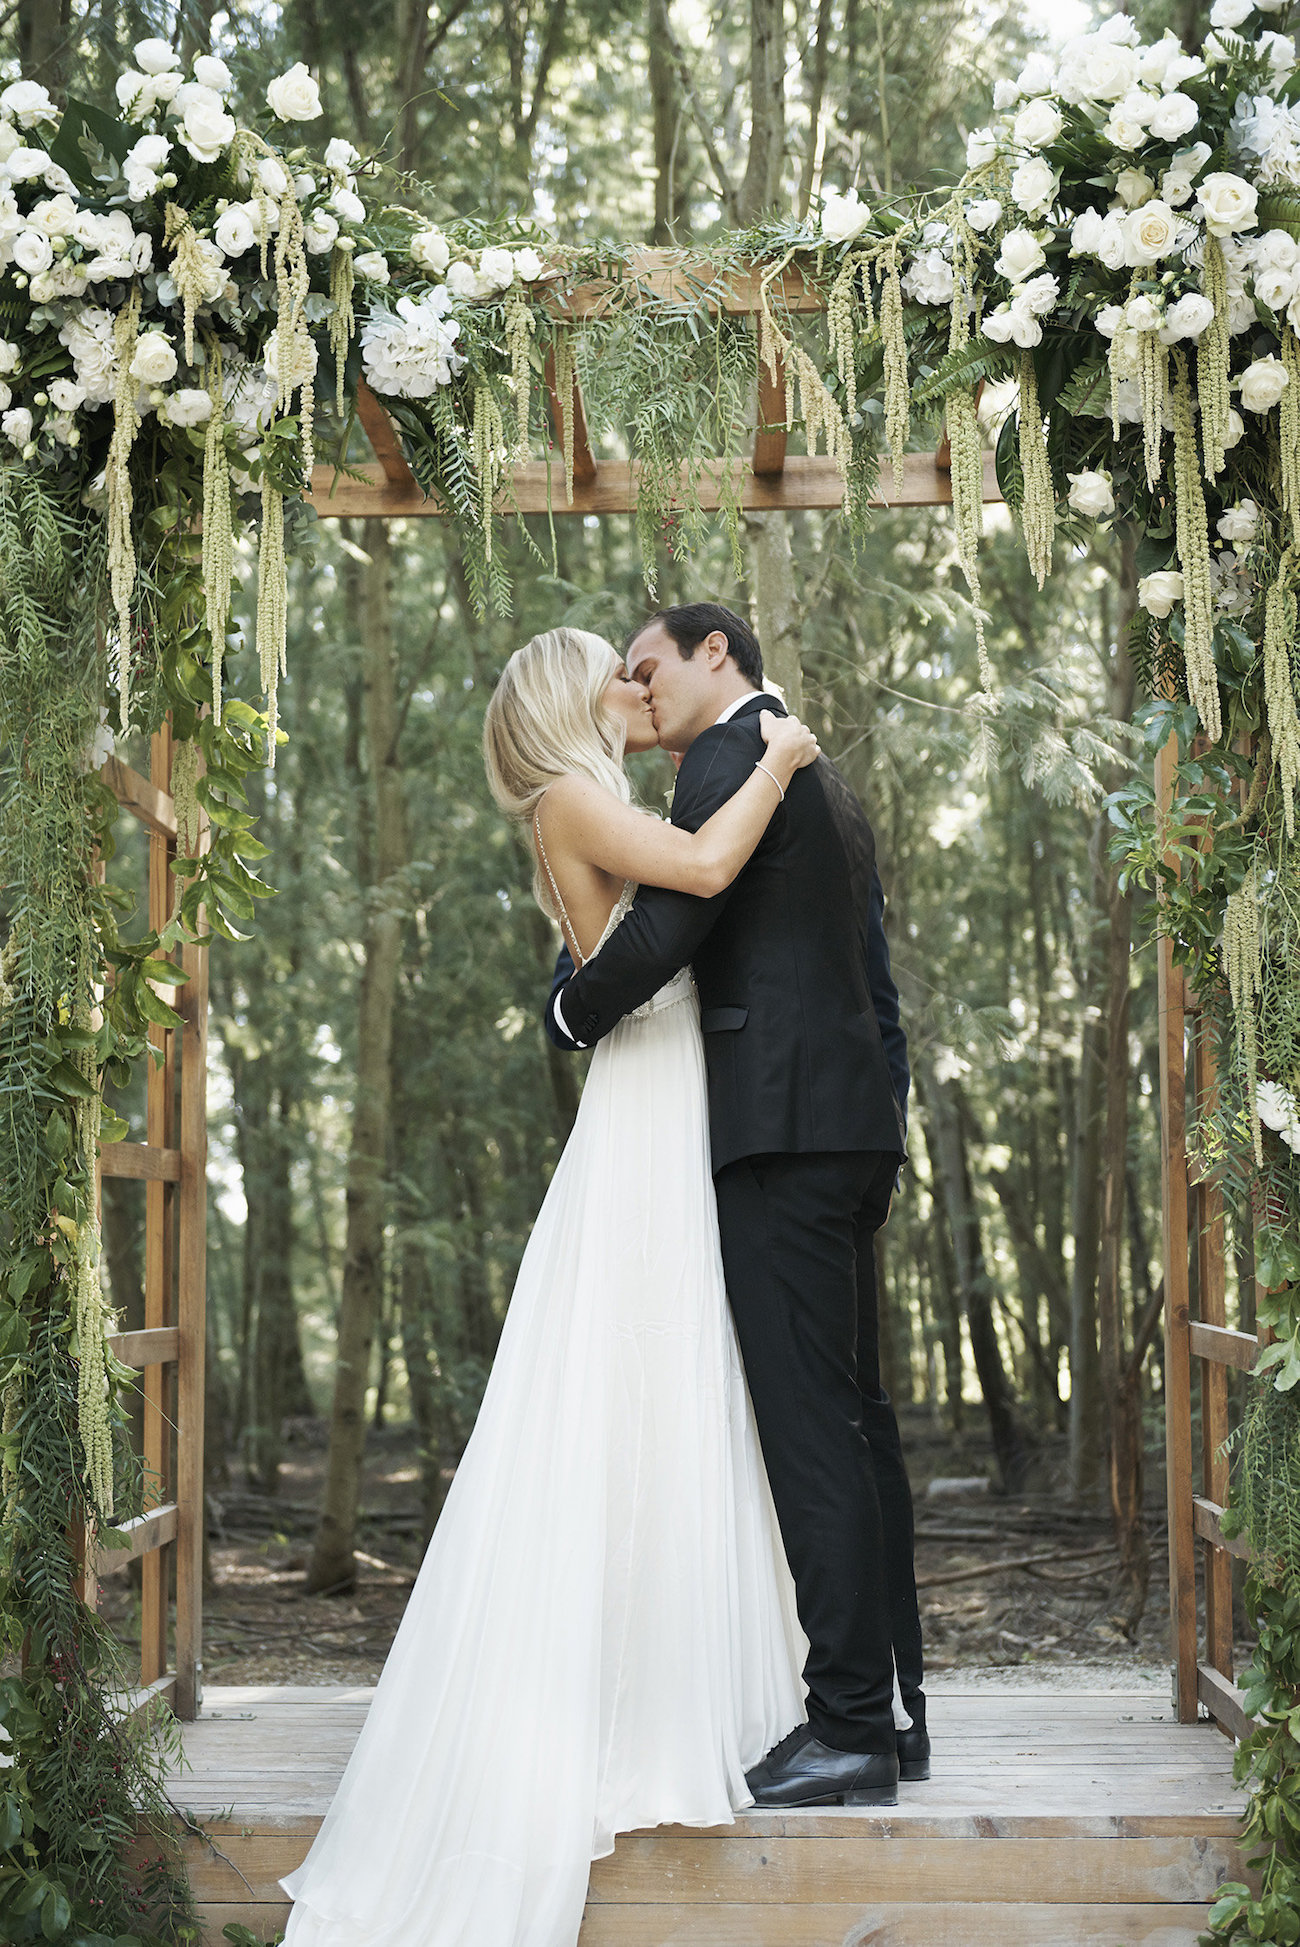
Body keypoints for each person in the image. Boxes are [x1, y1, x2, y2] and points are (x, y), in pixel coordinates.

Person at [277, 625, 824, 1947]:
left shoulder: (587, 798)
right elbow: (697, 869)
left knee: (672, 1388)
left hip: (658, 1082)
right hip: (645, 1099)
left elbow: (638, 940)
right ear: (573, 704)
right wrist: (785, 752)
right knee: (630, 1381)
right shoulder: (571, 798)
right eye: (618, 679)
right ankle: (617, 1707)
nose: (640, 693)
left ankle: (660, 1692)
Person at [546, 602, 926, 1811]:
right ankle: (894, 1711)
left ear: (718, 652)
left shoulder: (731, 757)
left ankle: (851, 1728)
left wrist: (569, 1006)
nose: (639, 691)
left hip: (778, 1134)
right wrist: (874, 1113)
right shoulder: (822, 776)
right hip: (847, 1126)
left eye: (647, 666)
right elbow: (875, 978)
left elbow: (666, 927)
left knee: (809, 1430)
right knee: (858, 1426)